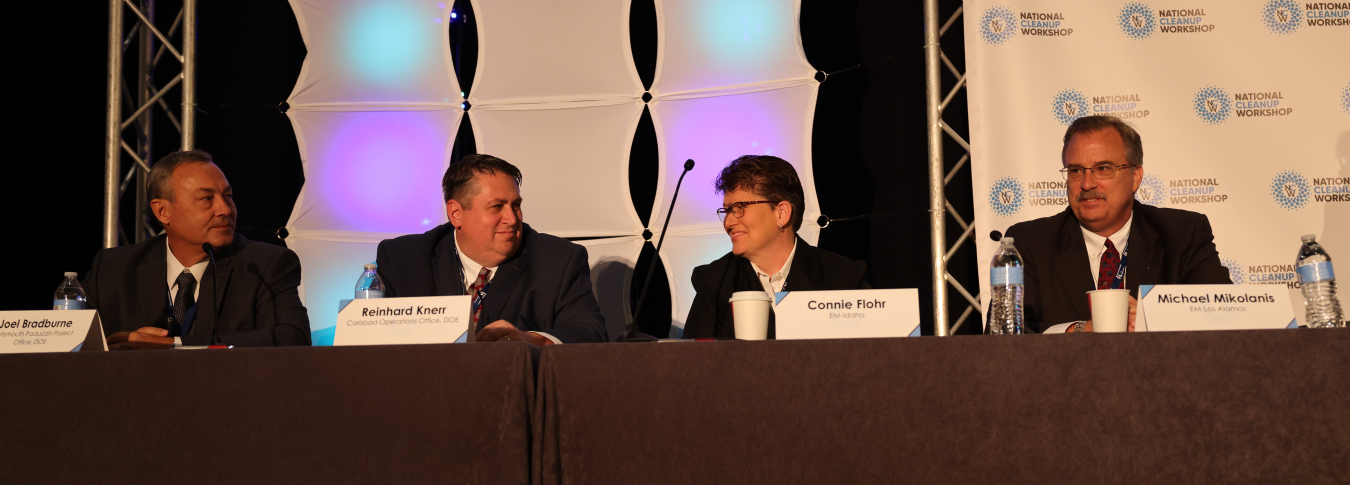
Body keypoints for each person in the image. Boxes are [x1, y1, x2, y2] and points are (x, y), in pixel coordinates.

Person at [1003, 115, 1231, 333]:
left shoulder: (1183, 234)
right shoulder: (1030, 243)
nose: (1087, 183)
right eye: (1076, 170)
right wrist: (1079, 330)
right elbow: (1005, 335)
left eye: (1102, 168)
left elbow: (1226, 316)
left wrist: (1149, 316)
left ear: (1135, 177)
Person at [83, 150, 311, 349]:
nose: (225, 209)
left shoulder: (264, 265)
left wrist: (173, 345)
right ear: (162, 211)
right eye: (206, 199)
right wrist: (112, 343)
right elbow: (67, 342)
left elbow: (292, 338)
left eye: (228, 196)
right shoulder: (114, 268)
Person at [375, 154, 607, 345]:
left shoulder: (558, 260)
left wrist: (532, 340)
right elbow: (372, 342)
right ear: (456, 213)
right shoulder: (403, 259)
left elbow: (590, 332)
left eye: (515, 205)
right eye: (497, 207)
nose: (512, 218)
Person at [683, 155, 870, 339]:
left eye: (739, 208)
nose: (729, 222)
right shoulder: (715, 282)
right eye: (727, 211)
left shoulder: (842, 278)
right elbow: (692, 364)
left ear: (782, 213)